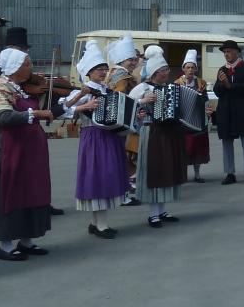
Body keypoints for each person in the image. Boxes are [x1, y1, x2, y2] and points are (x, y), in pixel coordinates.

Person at [0, 48, 64, 261]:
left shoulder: (19, 87)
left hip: (30, 149)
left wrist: (68, 103)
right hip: (12, 149)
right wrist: (34, 114)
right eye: (27, 63)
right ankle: (5, 245)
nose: (31, 67)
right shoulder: (2, 88)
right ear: (16, 67)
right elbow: (4, 117)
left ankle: (27, 239)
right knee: (10, 192)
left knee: (32, 190)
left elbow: (42, 112)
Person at [62, 39, 127, 239]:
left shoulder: (107, 90)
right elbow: (63, 109)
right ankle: (101, 225)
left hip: (109, 137)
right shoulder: (83, 90)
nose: (101, 71)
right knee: (97, 177)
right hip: (93, 137)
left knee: (106, 176)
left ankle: (96, 223)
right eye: (98, 68)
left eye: (104, 68)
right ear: (89, 71)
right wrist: (82, 107)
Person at [128, 47, 187, 228]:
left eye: (167, 70)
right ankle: (153, 214)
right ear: (155, 72)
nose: (167, 73)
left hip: (167, 133)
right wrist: (142, 102)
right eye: (164, 70)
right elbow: (127, 106)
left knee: (165, 172)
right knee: (154, 172)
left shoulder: (170, 88)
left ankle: (162, 210)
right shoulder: (142, 88)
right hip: (150, 131)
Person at [213, 39, 244, 185]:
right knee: (227, 142)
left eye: (229, 51)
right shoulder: (222, 70)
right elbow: (217, 92)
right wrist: (221, 84)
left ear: (236, 52)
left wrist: (230, 85)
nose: (227, 54)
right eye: (225, 52)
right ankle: (229, 172)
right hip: (226, 111)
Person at [104, 32, 143, 205]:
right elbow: (120, 98)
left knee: (121, 156)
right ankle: (124, 194)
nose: (134, 62)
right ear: (122, 61)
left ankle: (123, 190)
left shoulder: (112, 73)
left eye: (135, 59)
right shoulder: (123, 77)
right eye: (130, 60)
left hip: (115, 121)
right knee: (124, 157)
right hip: (123, 120)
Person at [175, 50, 211, 183]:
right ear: (183, 68)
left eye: (193, 67)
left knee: (198, 147)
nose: (190, 70)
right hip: (183, 119)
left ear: (196, 69)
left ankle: (197, 174)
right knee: (184, 147)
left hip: (198, 117)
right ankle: (183, 174)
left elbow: (205, 100)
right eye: (188, 67)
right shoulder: (177, 83)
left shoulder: (201, 83)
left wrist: (207, 109)